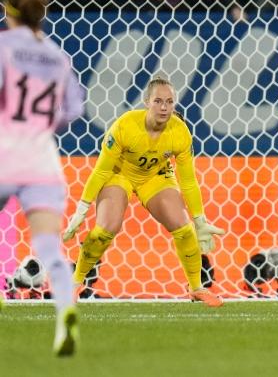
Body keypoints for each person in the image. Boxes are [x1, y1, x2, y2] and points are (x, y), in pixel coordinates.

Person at [63, 77, 226, 307]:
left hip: (155, 175)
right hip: (120, 173)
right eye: (158, 101)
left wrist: (200, 221)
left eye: (169, 102)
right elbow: (101, 171)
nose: (164, 107)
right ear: (147, 102)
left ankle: (196, 288)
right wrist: (81, 210)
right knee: (105, 229)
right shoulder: (125, 126)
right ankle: (75, 283)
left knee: (185, 228)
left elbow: (188, 181)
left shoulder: (180, 132)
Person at [0, 0, 84, 355]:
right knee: (49, 246)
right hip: (42, 160)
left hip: (4, 154)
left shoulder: (3, 47)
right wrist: (45, 122)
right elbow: (74, 109)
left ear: (8, 11)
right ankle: (65, 313)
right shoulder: (57, 56)